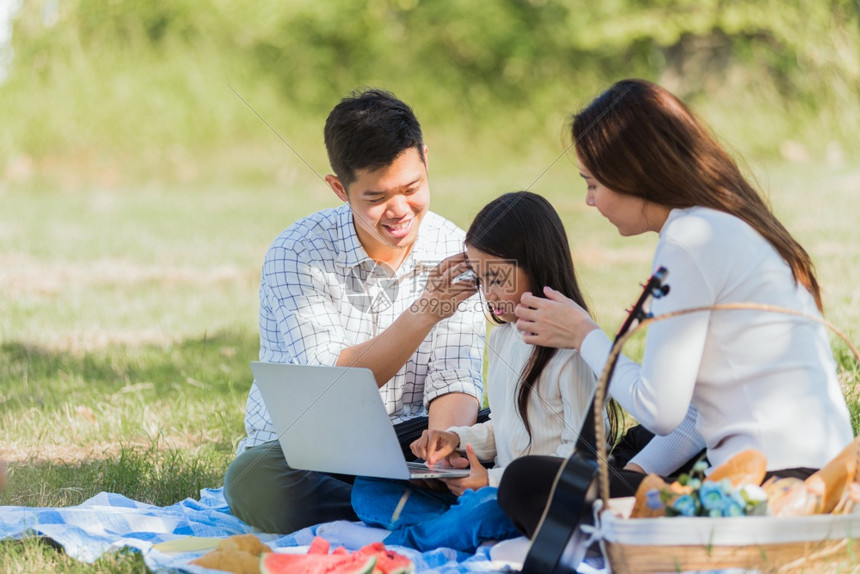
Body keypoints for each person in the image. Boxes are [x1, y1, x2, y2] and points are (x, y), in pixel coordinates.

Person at [498, 78, 854, 537]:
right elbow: (695, 414)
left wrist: (584, 335)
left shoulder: (690, 239)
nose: (589, 200)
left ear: (633, 174)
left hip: (773, 490)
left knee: (524, 482)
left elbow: (658, 408)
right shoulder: (729, 223)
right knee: (614, 466)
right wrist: (635, 476)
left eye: (592, 183)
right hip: (818, 474)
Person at [223, 89, 487, 534]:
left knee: (503, 426)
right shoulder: (299, 252)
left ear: (425, 158)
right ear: (338, 188)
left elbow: (455, 376)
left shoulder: (454, 247)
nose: (400, 210)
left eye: (412, 187)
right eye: (376, 197)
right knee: (251, 481)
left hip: (411, 438)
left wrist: (446, 449)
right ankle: (407, 505)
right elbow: (332, 387)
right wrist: (425, 311)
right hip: (318, 448)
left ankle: (420, 494)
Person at [349, 191, 624, 552]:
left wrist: (490, 480)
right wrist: (455, 440)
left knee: (483, 513)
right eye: (481, 280)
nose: (488, 293)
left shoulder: (572, 353)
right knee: (369, 489)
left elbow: (580, 461)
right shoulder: (503, 339)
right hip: (488, 488)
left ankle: (414, 540)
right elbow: (505, 425)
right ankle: (447, 528)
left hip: (532, 498)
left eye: (497, 278)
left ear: (537, 264)